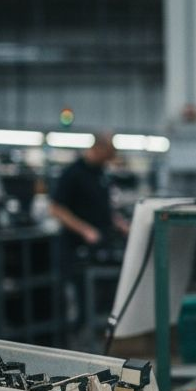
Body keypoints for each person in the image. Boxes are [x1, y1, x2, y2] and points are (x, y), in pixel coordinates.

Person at [50, 131, 129, 336]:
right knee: (82, 301)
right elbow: (56, 208)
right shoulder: (73, 173)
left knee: (104, 298)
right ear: (99, 148)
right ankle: (80, 339)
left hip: (101, 245)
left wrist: (118, 223)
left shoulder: (101, 173)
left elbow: (102, 208)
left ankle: (103, 336)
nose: (111, 159)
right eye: (109, 153)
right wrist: (84, 229)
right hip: (77, 249)